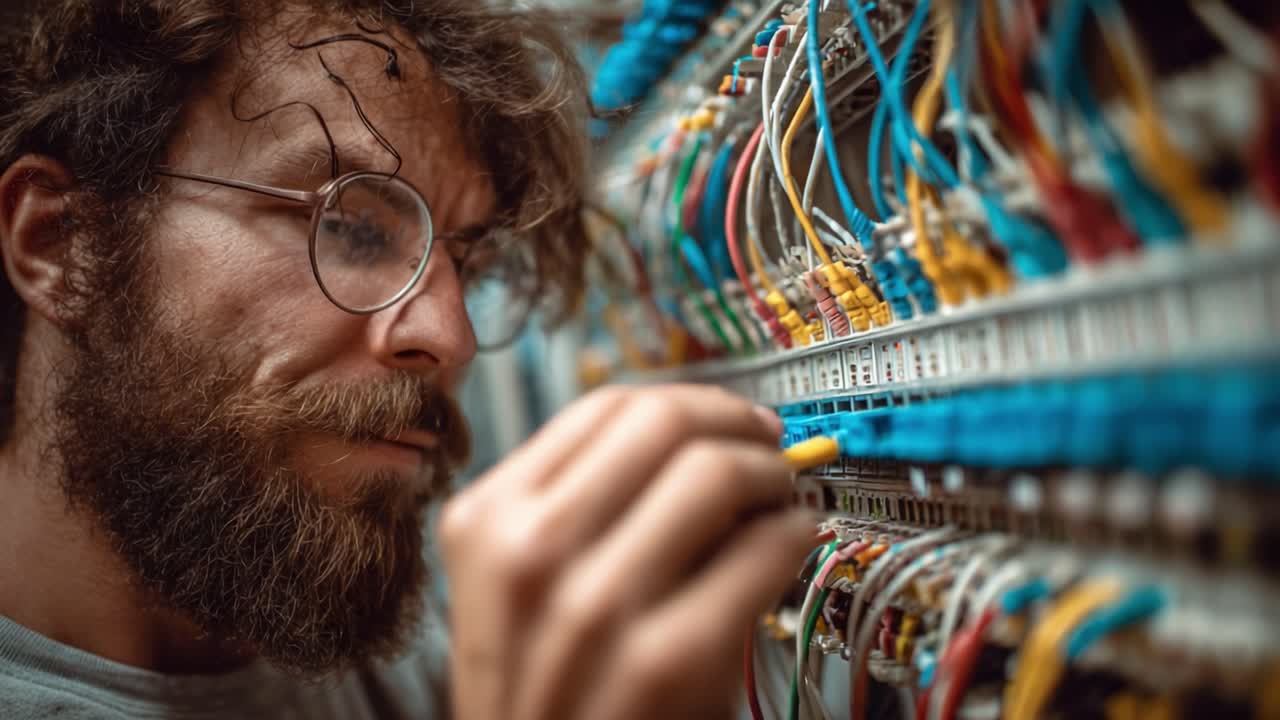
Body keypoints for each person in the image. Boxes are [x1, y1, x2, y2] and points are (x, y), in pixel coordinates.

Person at [0, 2, 814, 718]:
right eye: (351, 227)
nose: (450, 335)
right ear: (59, 246)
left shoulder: (384, 662)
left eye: (469, 260)